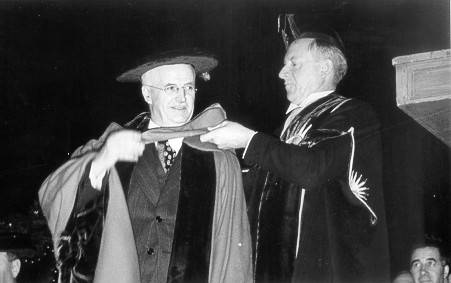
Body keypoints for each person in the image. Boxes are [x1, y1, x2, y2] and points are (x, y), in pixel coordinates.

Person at [39, 49, 252, 283]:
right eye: (171, 88)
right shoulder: (112, 147)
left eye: (189, 87)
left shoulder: (219, 160)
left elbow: (234, 258)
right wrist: (100, 162)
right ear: (147, 94)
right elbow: (55, 196)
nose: (182, 97)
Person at [200, 31, 390, 282]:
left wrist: (248, 139)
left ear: (324, 68)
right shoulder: (287, 129)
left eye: (294, 64)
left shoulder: (353, 114)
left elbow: (312, 169)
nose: (281, 73)